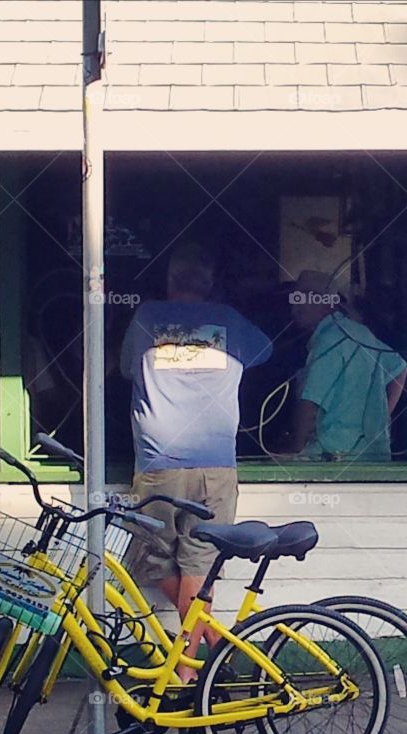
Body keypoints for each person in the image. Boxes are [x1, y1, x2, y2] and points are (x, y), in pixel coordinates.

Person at [120, 243, 272, 680]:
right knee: (198, 563)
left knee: (153, 559)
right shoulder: (229, 320)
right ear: (209, 283)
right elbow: (265, 357)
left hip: (158, 460)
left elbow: (127, 368)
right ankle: (218, 648)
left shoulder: (147, 317)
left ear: (170, 281)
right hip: (216, 463)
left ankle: (186, 672)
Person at [282, 270, 407, 461]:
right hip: (373, 454)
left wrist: (294, 448)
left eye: (307, 297)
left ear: (328, 302)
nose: (296, 306)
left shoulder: (329, 340)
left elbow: (310, 405)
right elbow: (399, 368)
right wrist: (379, 421)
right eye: (295, 298)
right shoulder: (360, 332)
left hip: (333, 456)